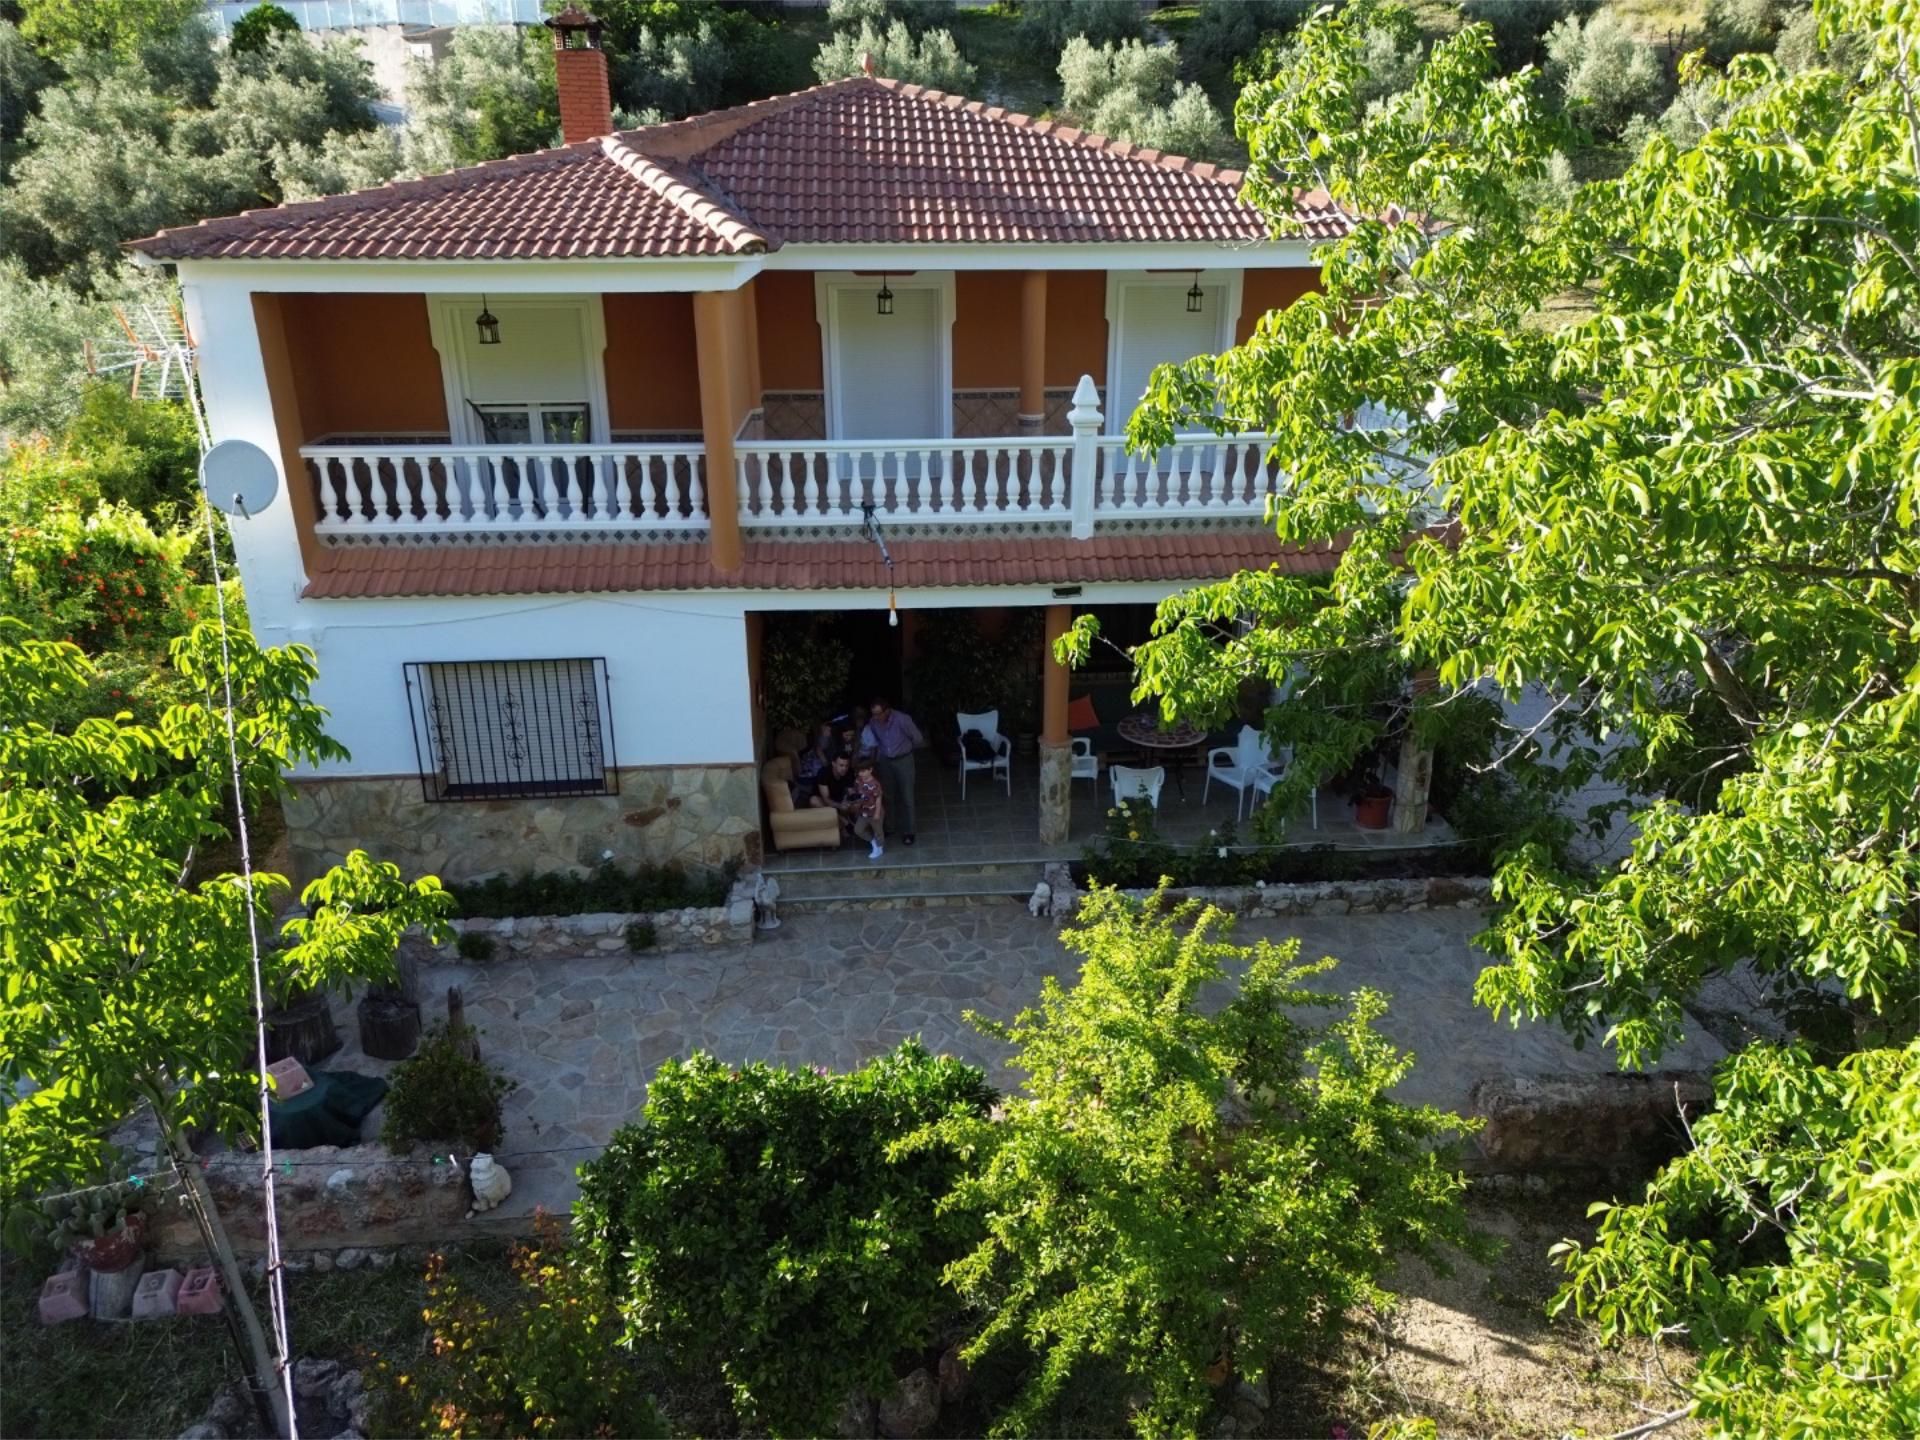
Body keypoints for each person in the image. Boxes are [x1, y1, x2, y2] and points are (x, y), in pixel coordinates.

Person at [861, 696, 923, 846]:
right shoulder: (873, 722)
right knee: (887, 795)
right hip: (885, 761)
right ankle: (890, 826)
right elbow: (877, 740)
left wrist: (906, 751)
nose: (876, 717)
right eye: (873, 714)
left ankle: (909, 831)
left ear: (887, 711)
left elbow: (918, 738)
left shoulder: (902, 719)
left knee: (907, 796)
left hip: (903, 759)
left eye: (878, 713)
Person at [809, 751, 856, 840]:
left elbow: (851, 792)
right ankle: (845, 823)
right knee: (814, 800)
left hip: (839, 799)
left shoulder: (849, 772)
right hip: (823, 802)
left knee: (855, 804)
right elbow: (826, 799)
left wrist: (851, 800)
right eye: (841, 765)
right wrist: (840, 805)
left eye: (846, 765)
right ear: (833, 764)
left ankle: (854, 825)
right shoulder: (824, 773)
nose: (844, 768)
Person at [849, 752, 886, 860]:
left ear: (870, 770)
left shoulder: (875, 784)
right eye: (859, 771)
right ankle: (873, 842)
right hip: (863, 812)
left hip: (874, 812)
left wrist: (877, 813)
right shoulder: (858, 780)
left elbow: (878, 799)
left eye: (864, 771)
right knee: (858, 830)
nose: (861, 774)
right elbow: (857, 792)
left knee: (878, 831)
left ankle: (879, 848)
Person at [792, 721, 835, 800]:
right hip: (807, 776)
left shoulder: (827, 740)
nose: (828, 732)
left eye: (829, 730)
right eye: (826, 729)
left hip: (809, 774)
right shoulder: (820, 742)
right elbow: (822, 758)